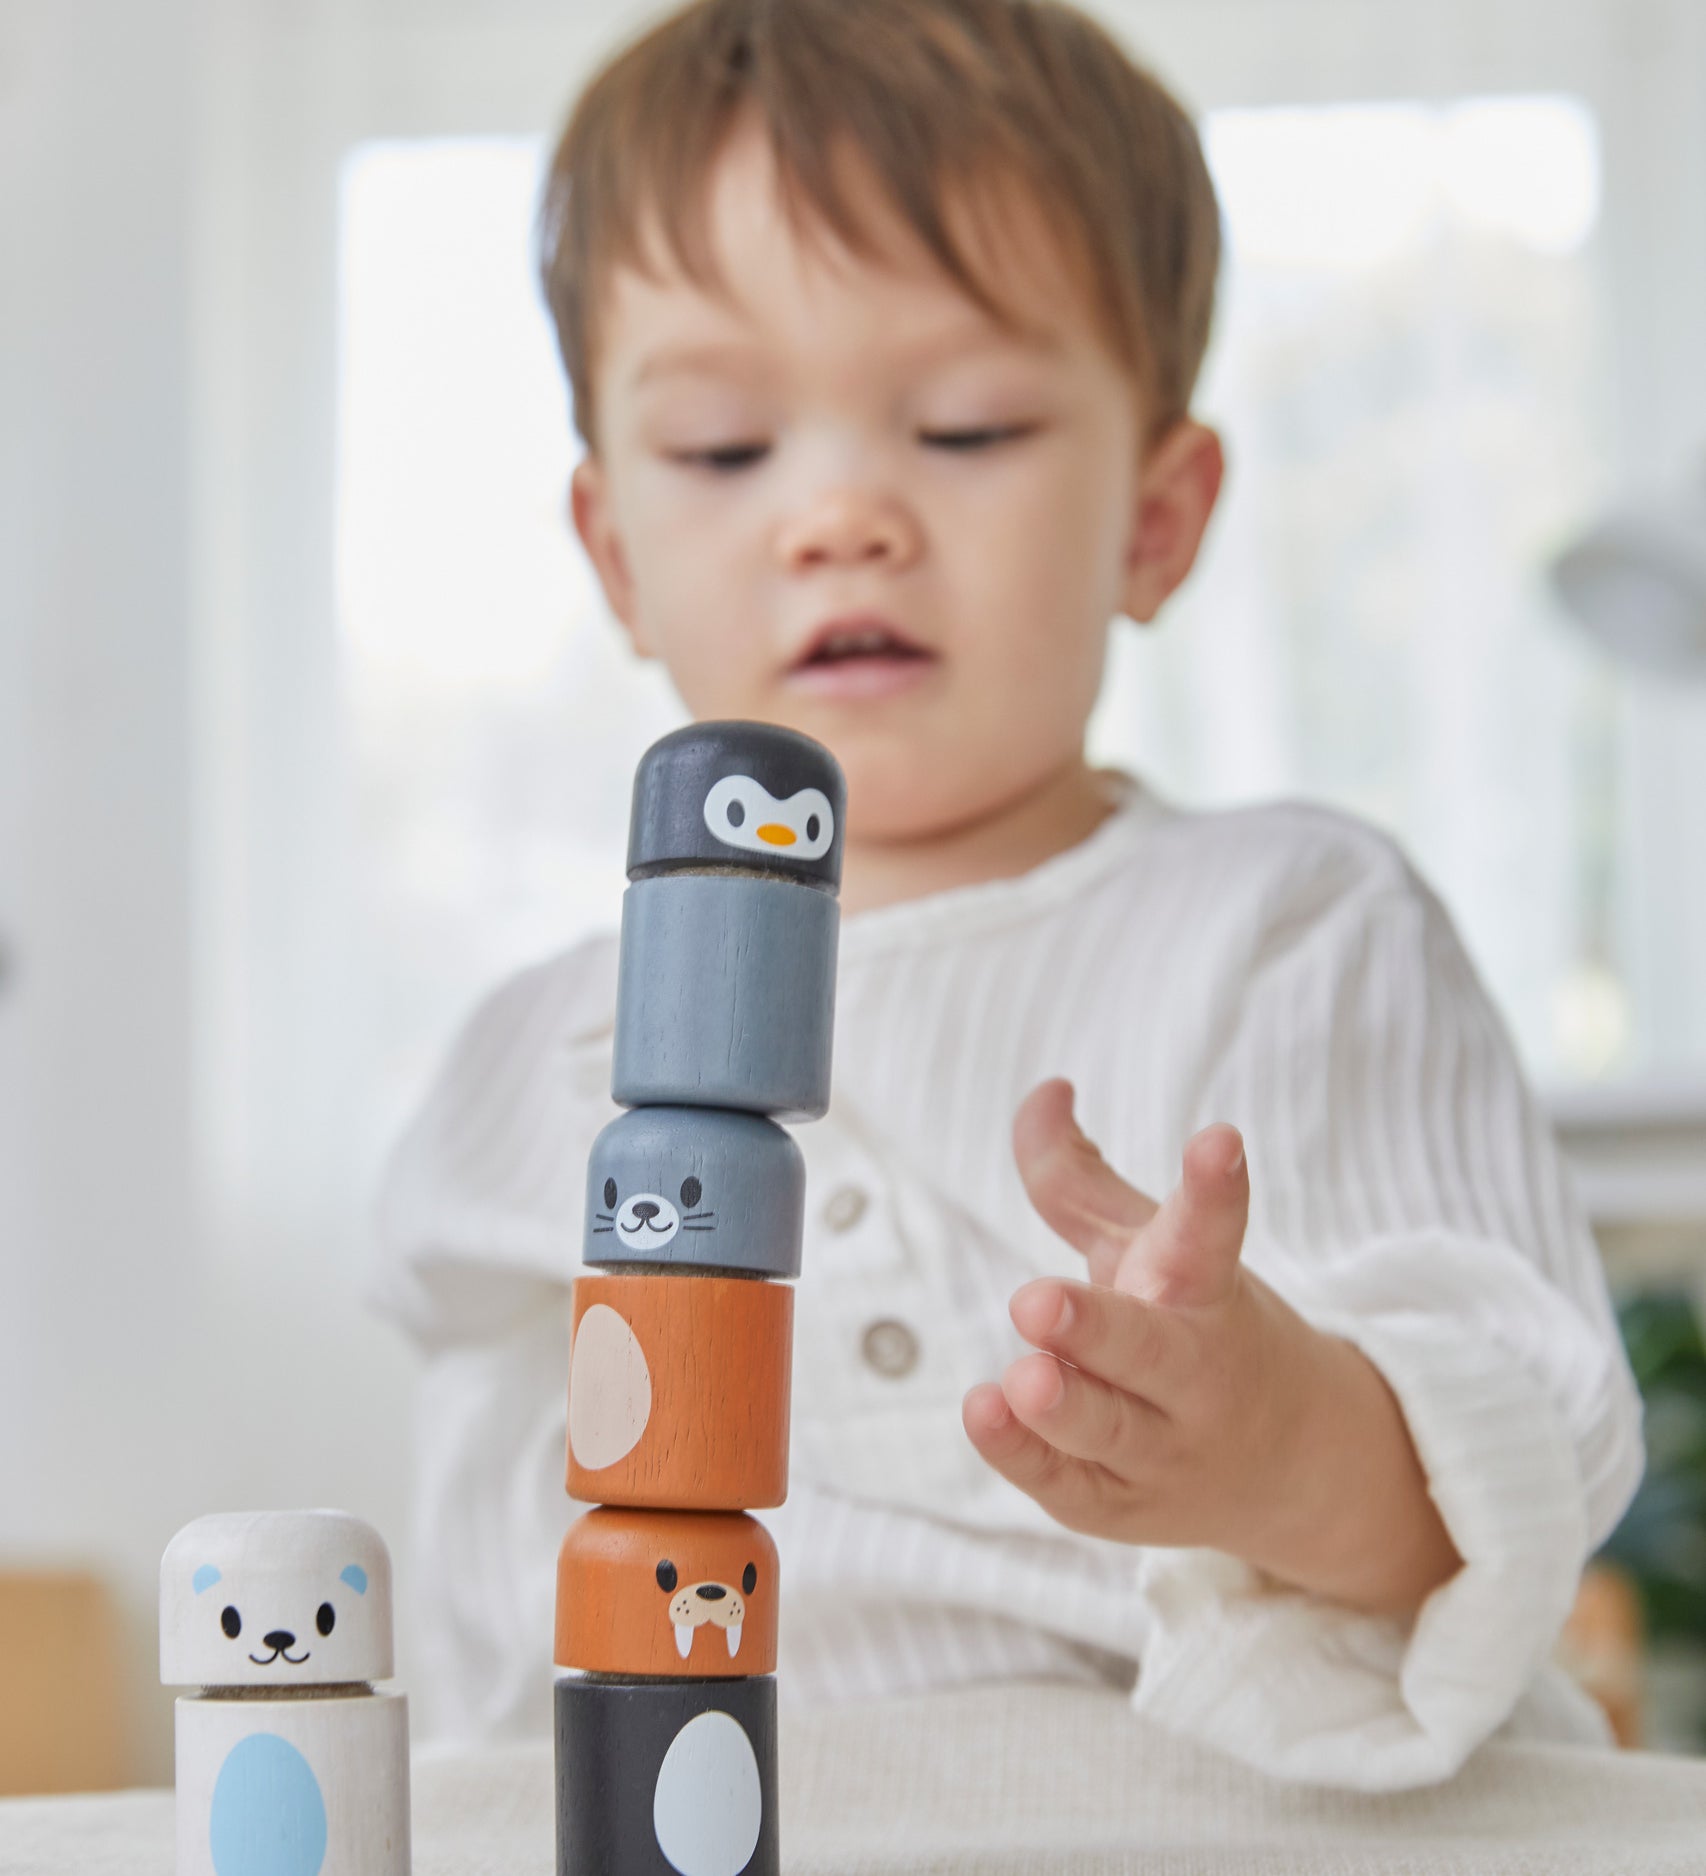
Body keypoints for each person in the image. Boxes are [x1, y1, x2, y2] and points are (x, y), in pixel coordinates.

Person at [370, 0, 1643, 1789]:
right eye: (726, 450)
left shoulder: (1288, 924)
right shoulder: (529, 1061)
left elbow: (1524, 1445)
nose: (838, 515)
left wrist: (1279, 1440)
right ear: (613, 556)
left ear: (1155, 514)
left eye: (963, 428)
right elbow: (490, 1638)